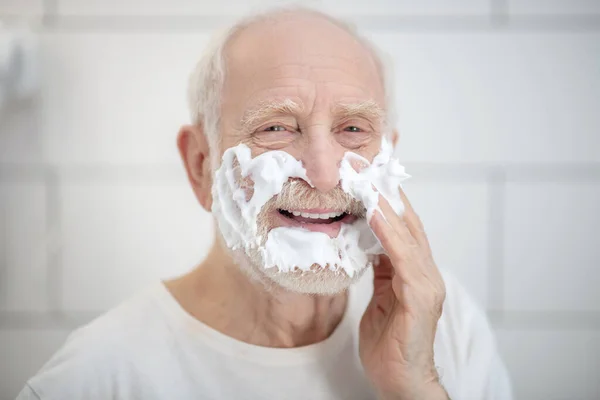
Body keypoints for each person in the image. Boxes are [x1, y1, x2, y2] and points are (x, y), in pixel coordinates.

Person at [17, 7, 512, 400]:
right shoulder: (95, 379)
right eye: (276, 127)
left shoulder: (442, 328)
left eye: (354, 130)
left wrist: (415, 391)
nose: (322, 173)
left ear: (388, 155)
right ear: (200, 165)